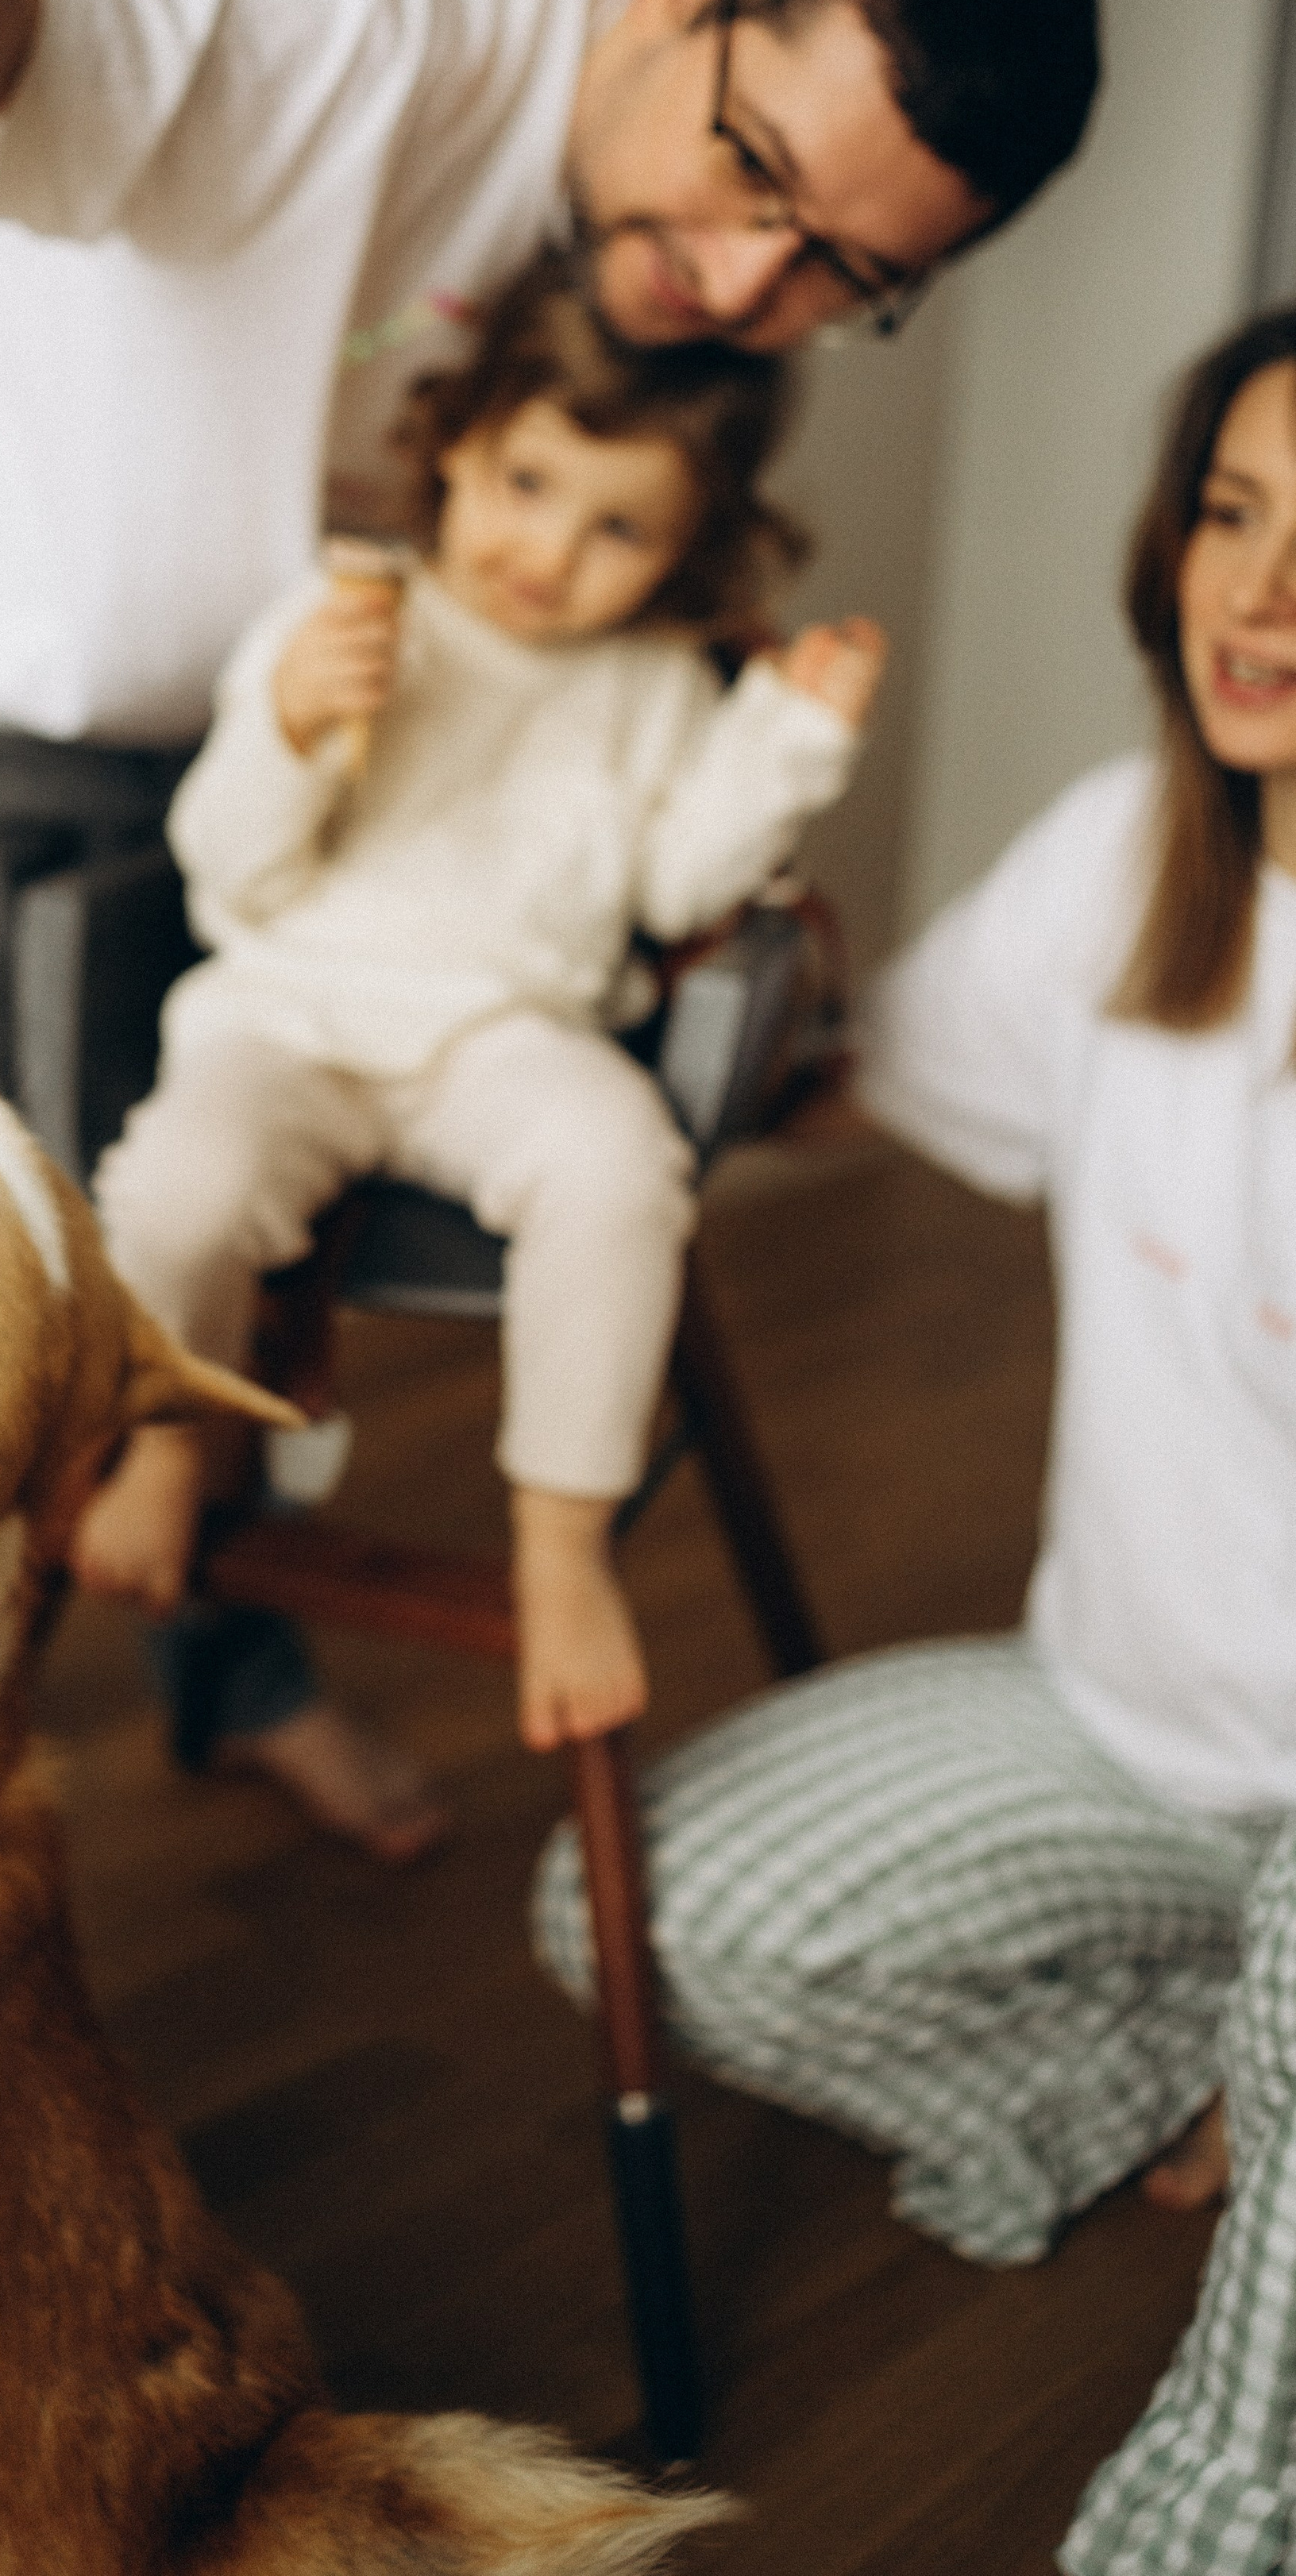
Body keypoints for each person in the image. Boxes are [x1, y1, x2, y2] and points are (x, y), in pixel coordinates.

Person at [0, 0, 1098, 1850]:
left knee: (213, 1292)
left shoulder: (714, 249)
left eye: (845, 272)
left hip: (291, 777)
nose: (748, 279)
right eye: (750, 171)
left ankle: (235, 1667)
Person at [530, 304, 1296, 2573]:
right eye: (1233, 518)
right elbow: (846, 1073)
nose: (1258, 596)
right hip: (1134, 1739)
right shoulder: (1125, 861)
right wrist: (654, 957)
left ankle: (1214, 2517)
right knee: (636, 1919)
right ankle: (1198, 2062)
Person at [75, 250, 884, 1803]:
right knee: (179, 1189)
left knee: (614, 1166)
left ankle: (559, 1537)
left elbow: (671, 885)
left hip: (503, 1034)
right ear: (453, 446)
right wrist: (292, 724)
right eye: (523, 484)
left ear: (685, 544)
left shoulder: (655, 686)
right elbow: (228, 864)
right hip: (286, 1013)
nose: (547, 553)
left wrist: (782, 742)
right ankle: (173, 1445)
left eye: (616, 528)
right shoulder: (347, 616)